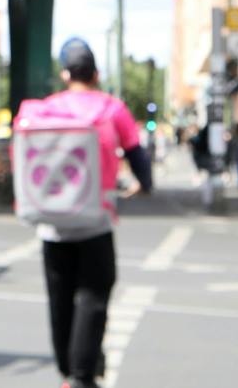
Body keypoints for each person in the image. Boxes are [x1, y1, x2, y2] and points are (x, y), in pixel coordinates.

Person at [33, 38, 152, 388]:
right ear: (97, 74)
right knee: (93, 295)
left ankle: (65, 371)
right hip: (94, 220)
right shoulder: (112, 109)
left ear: (64, 74)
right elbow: (136, 153)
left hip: (52, 222)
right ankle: (82, 376)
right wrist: (142, 184)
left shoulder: (45, 108)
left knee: (60, 299)